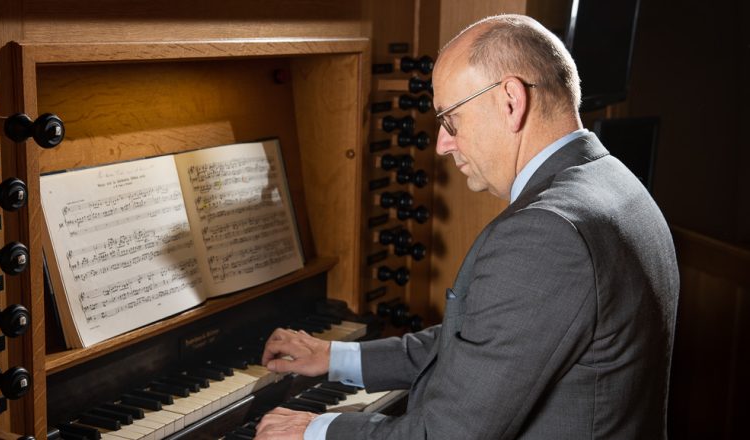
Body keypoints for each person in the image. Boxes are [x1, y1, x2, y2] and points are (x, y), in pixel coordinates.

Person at [254, 13, 679, 440]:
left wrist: (317, 429)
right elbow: (487, 339)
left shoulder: (546, 233)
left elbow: (447, 434)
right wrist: (336, 355)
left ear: (510, 100)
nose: (442, 144)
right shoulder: (615, 183)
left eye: (450, 119)